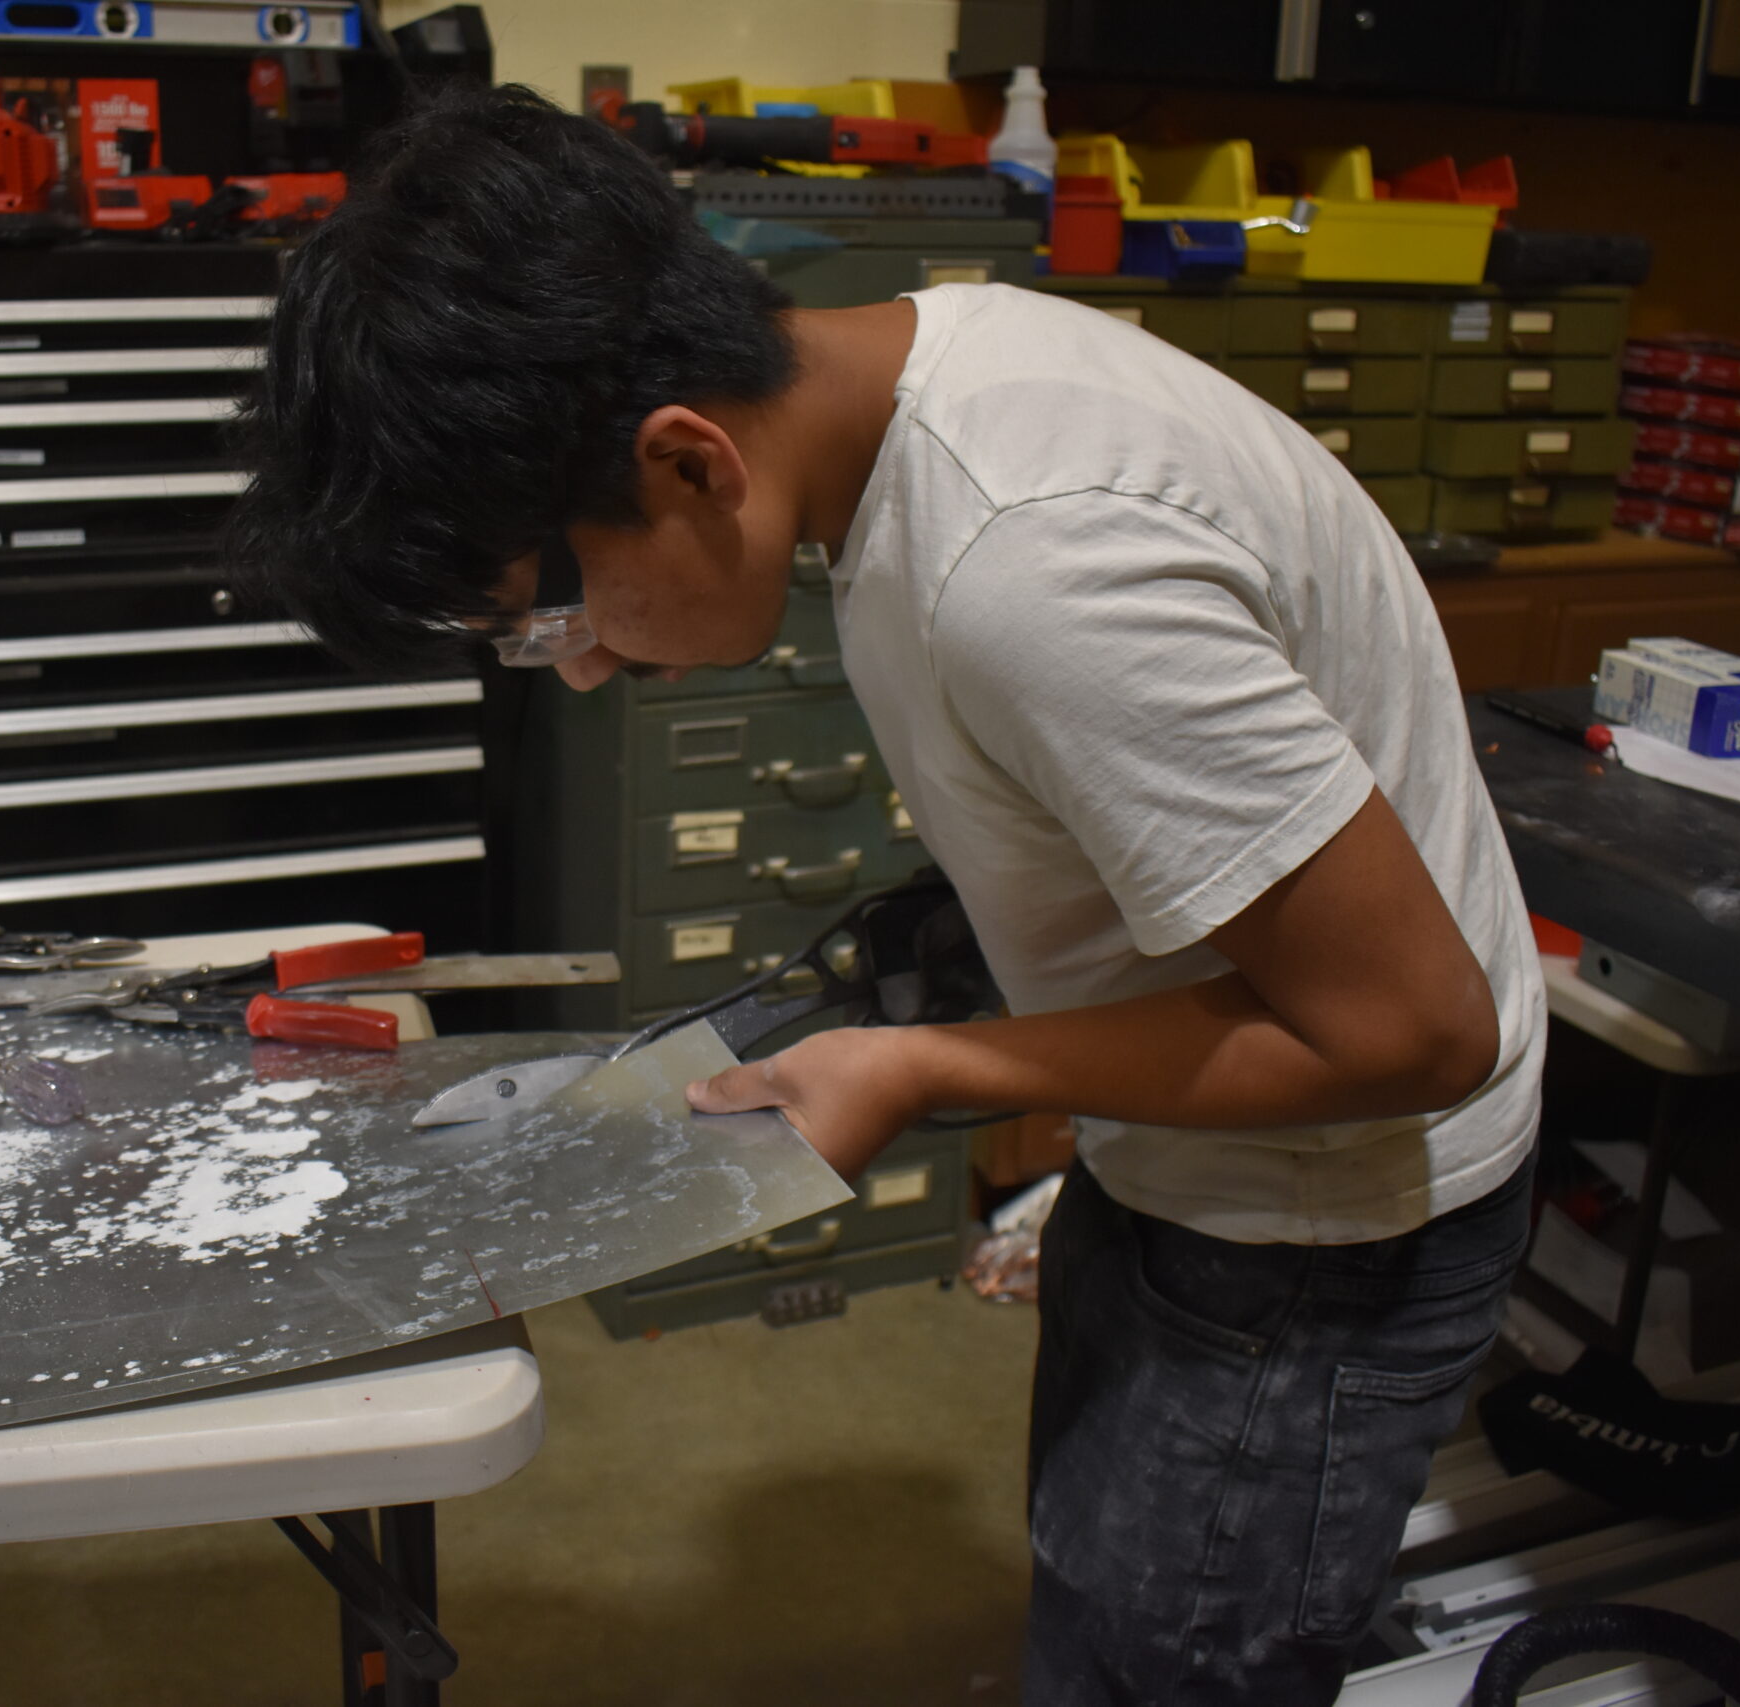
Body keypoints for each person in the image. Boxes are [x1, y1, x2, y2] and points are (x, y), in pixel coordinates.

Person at [234, 84, 1545, 1707]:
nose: (575, 675)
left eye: (548, 615)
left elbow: (1417, 1032)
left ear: (687, 459)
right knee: (1099, 1568)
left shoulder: (1035, 569)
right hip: (1211, 1153)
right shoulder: (930, 375)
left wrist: (934, 1068)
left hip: (1322, 1226)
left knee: (1165, 1653)